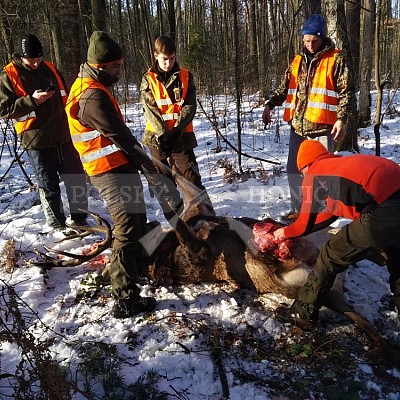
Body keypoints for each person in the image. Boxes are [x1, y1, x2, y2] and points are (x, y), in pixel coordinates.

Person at [65, 31, 192, 319]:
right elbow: (121, 137)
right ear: (100, 66)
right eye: (116, 67)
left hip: (118, 166)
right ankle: (124, 298)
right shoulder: (92, 95)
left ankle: (130, 272)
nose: (119, 71)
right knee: (126, 227)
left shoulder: (94, 85)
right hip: (107, 171)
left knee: (136, 221)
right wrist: (149, 167)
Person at [272, 140, 400, 328]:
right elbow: (331, 213)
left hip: (383, 212)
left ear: (306, 164)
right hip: (392, 200)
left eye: (302, 172)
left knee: (330, 254)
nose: (303, 176)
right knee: (397, 255)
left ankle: (302, 312)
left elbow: (304, 222)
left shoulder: (316, 171)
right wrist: (303, 229)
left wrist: (286, 231)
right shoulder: (340, 166)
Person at [262, 14, 355, 217]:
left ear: (322, 39)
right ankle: (299, 212)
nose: (310, 45)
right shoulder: (297, 61)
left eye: (314, 40)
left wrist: (341, 118)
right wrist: (269, 105)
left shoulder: (335, 59)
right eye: (306, 40)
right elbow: (284, 88)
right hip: (298, 127)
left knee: (320, 175)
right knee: (294, 170)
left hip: (322, 127)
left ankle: (319, 214)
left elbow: (346, 91)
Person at [0, 33, 88, 232]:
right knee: (49, 186)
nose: (36, 62)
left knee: (76, 179)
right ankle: (57, 227)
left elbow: (67, 96)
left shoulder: (50, 68)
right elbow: (3, 110)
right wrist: (32, 101)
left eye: (39, 57)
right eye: (32, 59)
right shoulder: (9, 75)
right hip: (36, 142)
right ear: (21, 56)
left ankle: (82, 219)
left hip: (64, 136)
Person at [140, 35, 214, 220]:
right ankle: (180, 225)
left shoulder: (186, 76)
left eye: (172, 58)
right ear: (156, 55)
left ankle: (208, 223)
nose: (168, 63)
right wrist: (164, 135)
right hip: (157, 140)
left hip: (181, 139)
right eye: (165, 59)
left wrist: (176, 131)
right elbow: (150, 109)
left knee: (192, 181)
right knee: (164, 187)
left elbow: (189, 106)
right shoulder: (148, 79)